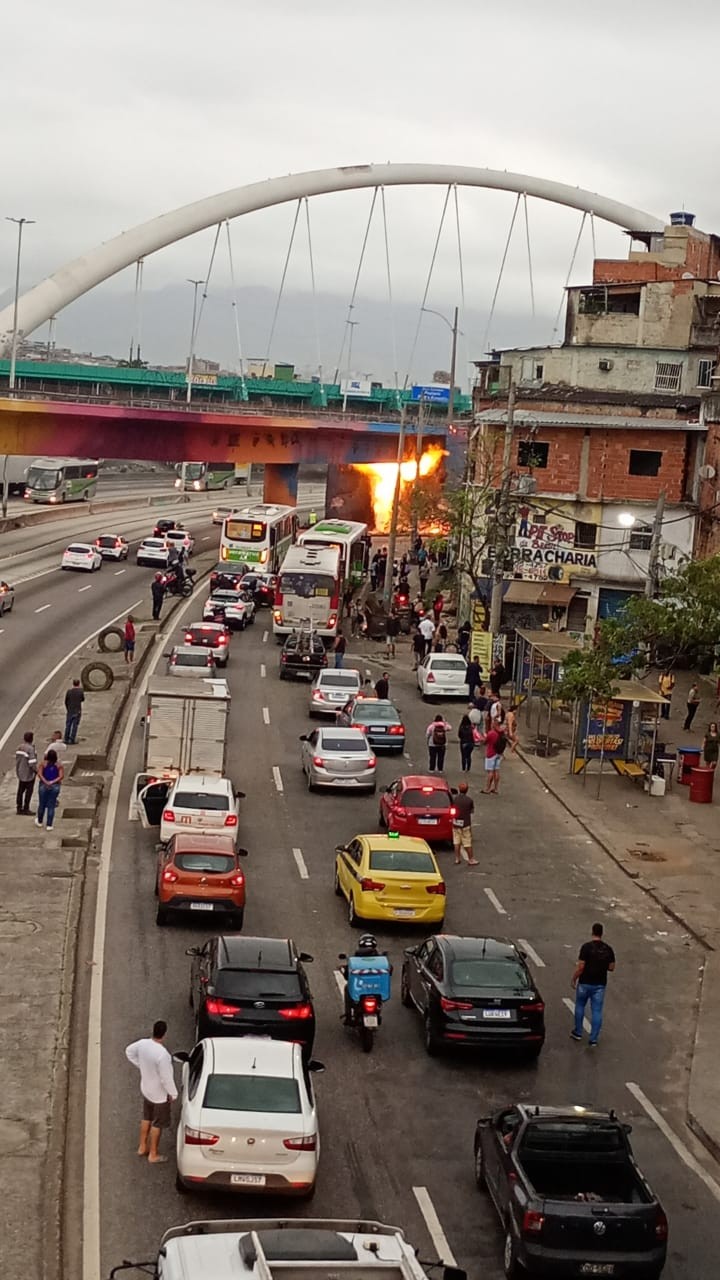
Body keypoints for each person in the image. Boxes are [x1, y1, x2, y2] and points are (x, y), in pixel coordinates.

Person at [125, 1020, 178, 1163]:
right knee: (158, 1123)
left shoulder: (142, 1044)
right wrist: (173, 1093)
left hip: (146, 1088)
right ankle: (153, 1153)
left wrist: (141, 1065)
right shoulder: (163, 1055)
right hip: (159, 1095)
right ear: (164, 1034)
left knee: (146, 1117)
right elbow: (166, 1077)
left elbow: (129, 1051)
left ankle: (142, 1146)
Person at [570, 922, 616, 1047]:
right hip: (600, 985)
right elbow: (611, 967)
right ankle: (593, 1038)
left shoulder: (586, 948)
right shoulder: (608, 949)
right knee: (596, 1011)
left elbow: (581, 967)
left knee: (580, 1006)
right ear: (602, 933)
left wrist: (574, 979)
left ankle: (578, 1032)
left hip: (584, 983)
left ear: (592, 932)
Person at [450, 781, 478, 865]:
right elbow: (471, 811)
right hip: (465, 824)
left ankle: (457, 858)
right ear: (467, 790)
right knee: (467, 842)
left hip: (455, 823)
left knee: (456, 841)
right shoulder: (469, 800)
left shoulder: (454, 799)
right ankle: (471, 859)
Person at [36, 748, 64, 830]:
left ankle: (40, 821)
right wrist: (52, 782)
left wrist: (46, 782)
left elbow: (40, 774)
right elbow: (61, 776)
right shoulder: (59, 765)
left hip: (43, 786)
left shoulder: (43, 764)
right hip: (55, 786)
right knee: (51, 805)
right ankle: (49, 825)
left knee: (42, 804)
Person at [15, 730, 38, 816]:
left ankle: (19, 808)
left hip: (20, 772)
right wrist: (37, 771)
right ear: (31, 739)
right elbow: (32, 763)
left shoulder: (19, 747)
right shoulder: (30, 749)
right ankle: (26, 808)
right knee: (29, 791)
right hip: (29, 774)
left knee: (20, 791)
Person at [483, 719, 507, 794]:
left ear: (494, 725)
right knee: (496, 771)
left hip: (491, 753)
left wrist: (484, 737)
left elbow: (485, 742)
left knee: (490, 772)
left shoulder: (491, 733)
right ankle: (496, 788)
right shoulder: (502, 733)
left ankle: (487, 788)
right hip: (499, 753)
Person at [64, 679, 85, 746]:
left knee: (68, 725)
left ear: (73, 684)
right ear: (78, 684)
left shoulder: (69, 692)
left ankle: (66, 738)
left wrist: (68, 708)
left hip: (70, 710)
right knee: (75, 726)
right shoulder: (80, 691)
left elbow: (66, 701)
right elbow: (82, 699)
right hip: (77, 710)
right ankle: (72, 739)